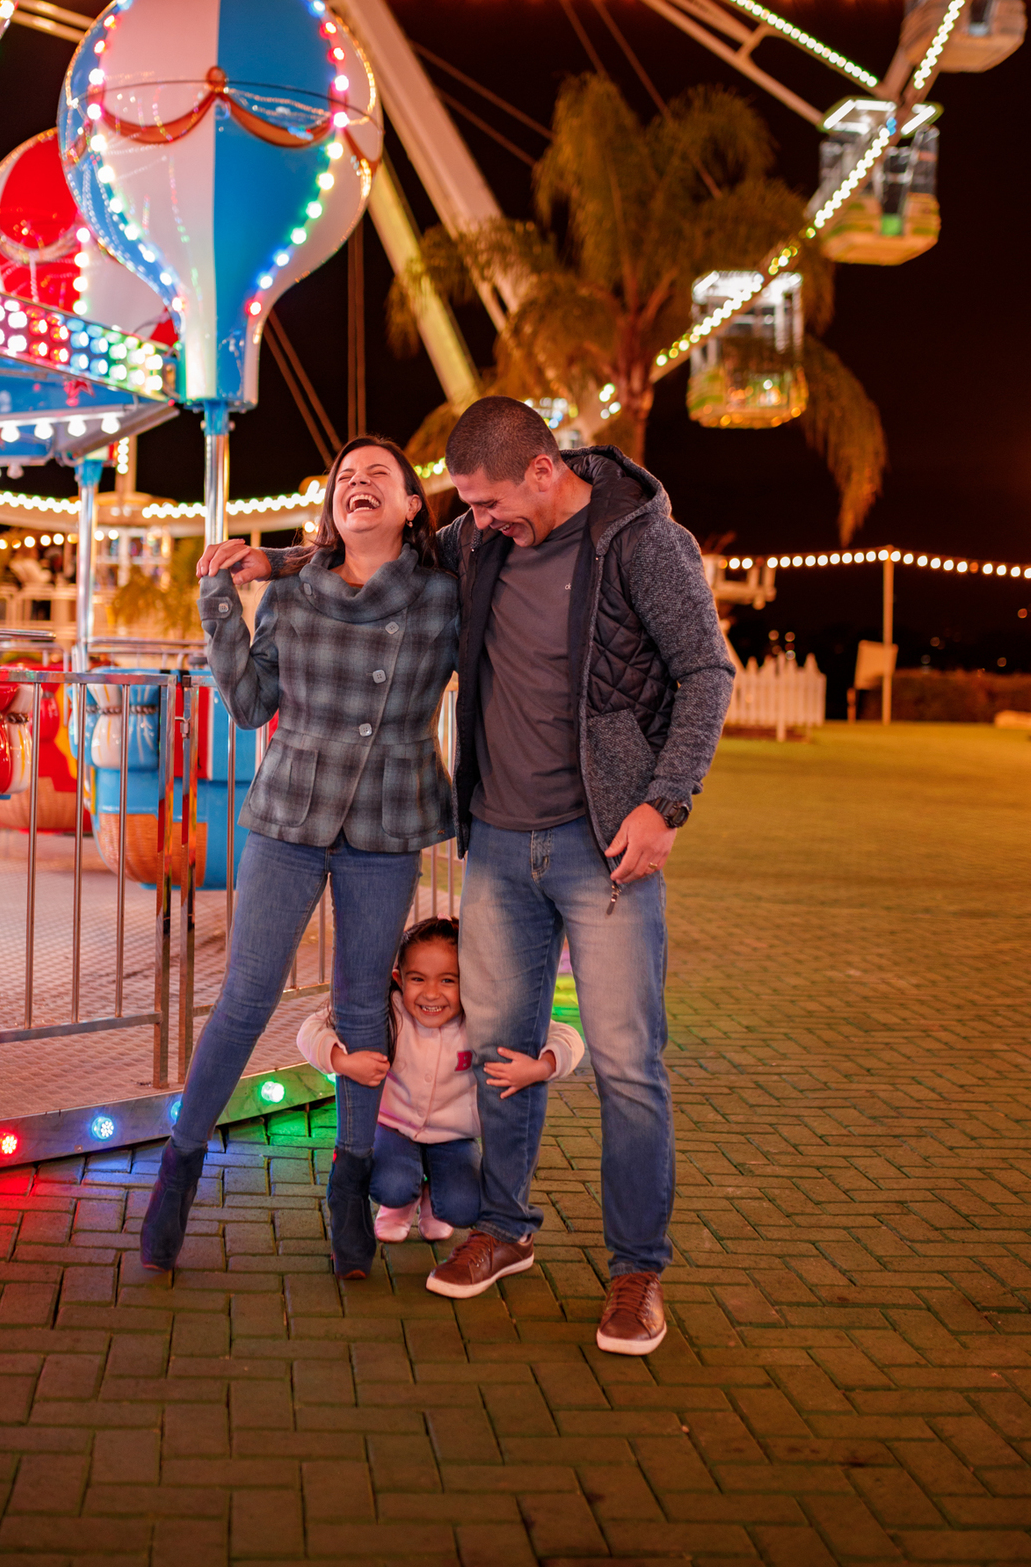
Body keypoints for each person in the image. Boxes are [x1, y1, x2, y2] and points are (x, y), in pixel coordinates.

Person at [224, 395, 734, 1353]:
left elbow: (707, 673)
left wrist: (665, 802)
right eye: (469, 508)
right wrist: (268, 562)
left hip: (607, 842)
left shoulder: (643, 543)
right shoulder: (484, 539)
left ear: (543, 470)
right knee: (502, 1046)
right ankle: (503, 1229)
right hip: (497, 839)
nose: (480, 523)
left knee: (627, 1062)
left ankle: (636, 1273)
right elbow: (381, 547)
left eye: (492, 504)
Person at [138, 436, 458, 1280]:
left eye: (376, 477)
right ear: (330, 506)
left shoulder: (440, 597)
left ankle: (350, 1185)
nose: (357, 485)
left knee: (362, 1006)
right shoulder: (297, 591)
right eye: (345, 478)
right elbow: (247, 706)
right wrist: (218, 597)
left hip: (387, 819)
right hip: (288, 813)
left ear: (412, 504)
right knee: (244, 998)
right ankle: (179, 1168)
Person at [297, 913, 583, 1247]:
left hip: (454, 1137)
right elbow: (311, 1029)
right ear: (398, 978)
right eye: (418, 979)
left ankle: (433, 1193)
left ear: (470, 981)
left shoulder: (485, 1015)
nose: (432, 994)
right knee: (391, 1184)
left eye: (448, 980)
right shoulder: (388, 1011)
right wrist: (341, 1062)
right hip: (393, 1127)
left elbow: (566, 1035)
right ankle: (400, 1204)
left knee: (464, 1207)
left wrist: (541, 1068)